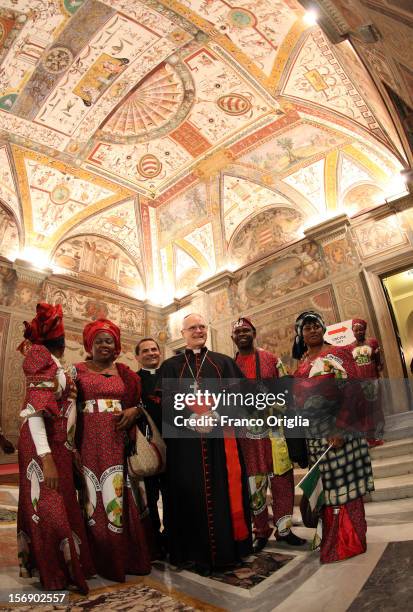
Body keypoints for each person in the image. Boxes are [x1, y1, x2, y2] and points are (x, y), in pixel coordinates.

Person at [157, 313, 252, 574]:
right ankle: (191, 553)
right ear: (183, 333)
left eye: (202, 326)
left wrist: (217, 415)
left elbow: (241, 400)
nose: (198, 331)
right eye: (192, 327)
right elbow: (163, 405)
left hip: (220, 443)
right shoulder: (170, 367)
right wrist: (190, 420)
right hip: (185, 448)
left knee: (223, 494)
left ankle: (228, 550)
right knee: (189, 496)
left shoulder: (223, 363)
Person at [17, 303, 94, 593]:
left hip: (57, 441)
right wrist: (46, 457)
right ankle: (54, 572)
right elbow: (35, 411)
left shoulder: (55, 360)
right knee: (48, 506)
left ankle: (64, 566)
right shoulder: (39, 356)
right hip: (41, 444)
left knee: (61, 502)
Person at [292, 311, 374, 563]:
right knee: (327, 490)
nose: (313, 330)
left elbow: (352, 392)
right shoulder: (303, 364)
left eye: (316, 325)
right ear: (301, 334)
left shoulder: (339, 353)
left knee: (345, 487)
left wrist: (340, 427)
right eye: (307, 328)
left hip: (341, 432)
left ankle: (349, 539)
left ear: (323, 328)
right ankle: (330, 536)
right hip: (317, 437)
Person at [74, 318, 151, 582]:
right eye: (99, 341)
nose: (104, 345)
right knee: (90, 497)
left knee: (116, 496)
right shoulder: (76, 371)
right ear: (89, 344)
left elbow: (140, 402)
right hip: (87, 440)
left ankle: (122, 557)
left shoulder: (126, 373)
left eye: (109, 341)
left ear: (116, 345)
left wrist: (135, 410)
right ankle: (96, 559)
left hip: (118, 440)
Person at [231, 317, 306, 552]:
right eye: (238, 332)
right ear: (233, 338)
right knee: (255, 485)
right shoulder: (229, 366)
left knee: (282, 481)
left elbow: (287, 391)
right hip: (247, 437)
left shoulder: (271, 359)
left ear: (255, 333)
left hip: (274, 432)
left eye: (246, 330)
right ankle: (261, 531)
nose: (242, 334)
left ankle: (284, 530)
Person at [135, 337, 166, 552]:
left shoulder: (170, 376)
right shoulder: (133, 380)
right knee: (150, 495)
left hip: (174, 446)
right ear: (137, 357)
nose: (151, 353)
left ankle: (174, 535)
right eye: (145, 351)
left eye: (154, 349)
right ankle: (153, 540)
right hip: (149, 446)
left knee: (173, 494)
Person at [350, 318, 385, 447]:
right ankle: (369, 438)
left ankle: (379, 434)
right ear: (352, 331)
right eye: (356, 330)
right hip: (359, 384)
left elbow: (379, 361)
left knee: (376, 408)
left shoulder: (372, 342)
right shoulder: (350, 347)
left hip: (373, 380)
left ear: (365, 330)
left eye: (361, 329)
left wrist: (378, 374)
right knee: (364, 411)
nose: (359, 332)